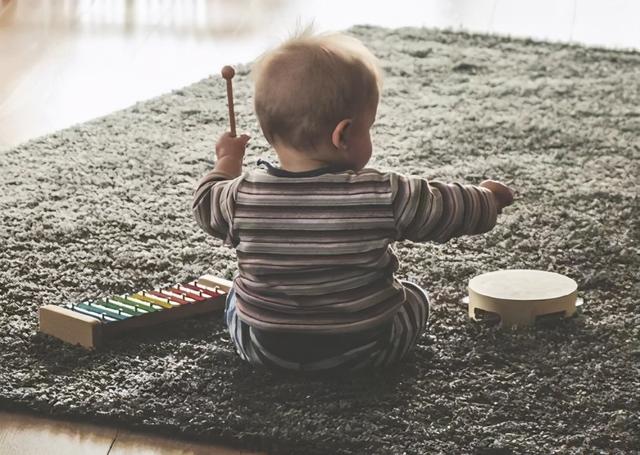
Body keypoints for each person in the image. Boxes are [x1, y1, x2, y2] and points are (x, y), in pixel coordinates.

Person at [192, 29, 514, 375]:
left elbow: (205, 203)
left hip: (266, 350)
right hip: (365, 349)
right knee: (416, 297)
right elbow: (445, 207)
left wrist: (227, 160)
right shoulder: (382, 193)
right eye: (369, 127)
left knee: (234, 299)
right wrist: (489, 198)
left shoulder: (239, 196)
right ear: (343, 135)